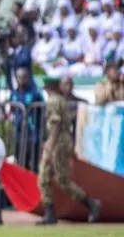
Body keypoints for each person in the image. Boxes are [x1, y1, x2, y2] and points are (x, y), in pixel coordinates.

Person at [36, 78, 102, 225]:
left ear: (48, 87)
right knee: (44, 178)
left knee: (62, 180)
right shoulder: (60, 99)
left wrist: (50, 146)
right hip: (61, 140)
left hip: (58, 141)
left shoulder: (53, 101)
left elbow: (56, 123)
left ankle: (91, 203)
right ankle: (49, 213)